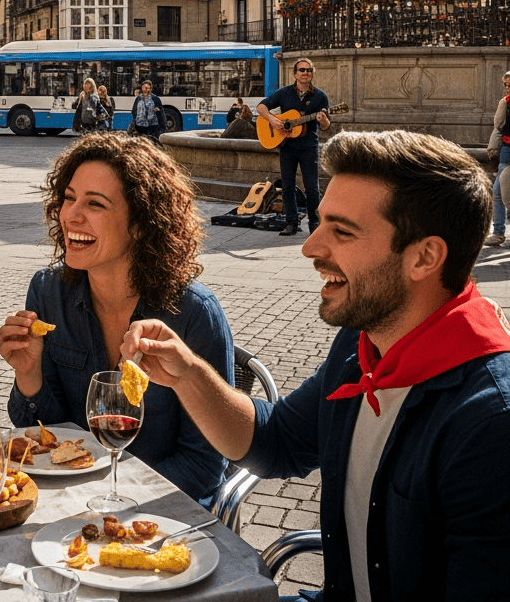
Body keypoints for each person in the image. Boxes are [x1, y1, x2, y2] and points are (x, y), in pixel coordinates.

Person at [124, 130, 510, 602]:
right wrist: (188, 373)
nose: (310, 248)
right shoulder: (363, 342)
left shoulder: (490, 423)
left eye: (342, 231)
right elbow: (274, 443)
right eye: (320, 222)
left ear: (425, 257)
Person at [0, 134, 234, 505]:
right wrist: (29, 376)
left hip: (162, 515)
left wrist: (110, 497)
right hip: (73, 504)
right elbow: (45, 438)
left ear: (140, 224)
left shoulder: (193, 313)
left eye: (95, 204)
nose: (71, 215)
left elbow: (203, 465)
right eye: (70, 198)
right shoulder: (48, 292)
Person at [257, 58, 331, 237]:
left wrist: (323, 120)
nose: (306, 73)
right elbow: (261, 107)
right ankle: (291, 222)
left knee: (312, 187)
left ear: (312, 73)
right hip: (288, 146)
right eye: (302, 70)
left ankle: (314, 222)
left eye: (309, 70)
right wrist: (273, 120)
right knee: (288, 186)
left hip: (308, 147)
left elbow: (326, 126)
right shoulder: (284, 93)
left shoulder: (320, 96)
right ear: (295, 74)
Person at [484, 70, 510, 246]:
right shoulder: (506, 103)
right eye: (506, 85)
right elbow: (498, 125)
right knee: (499, 191)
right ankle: (498, 231)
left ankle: (499, 231)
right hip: (507, 149)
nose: (507, 88)